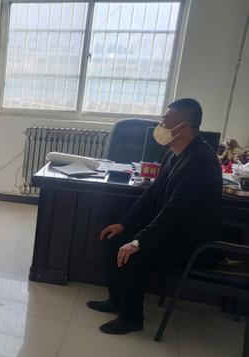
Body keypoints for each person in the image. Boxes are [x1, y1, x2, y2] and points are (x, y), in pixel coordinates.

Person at [88, 98, 222, 334]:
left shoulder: (200, 160)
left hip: (189, 244)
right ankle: (116, 301)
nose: (161, 125)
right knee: (113, 238)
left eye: (166, 121)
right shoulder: (174, 153)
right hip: (170, 233)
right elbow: (152, 194)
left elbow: (175, 211)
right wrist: (124, 224)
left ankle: (131, 319)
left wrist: (138, 242)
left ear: (183, 127)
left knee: (133, 255)